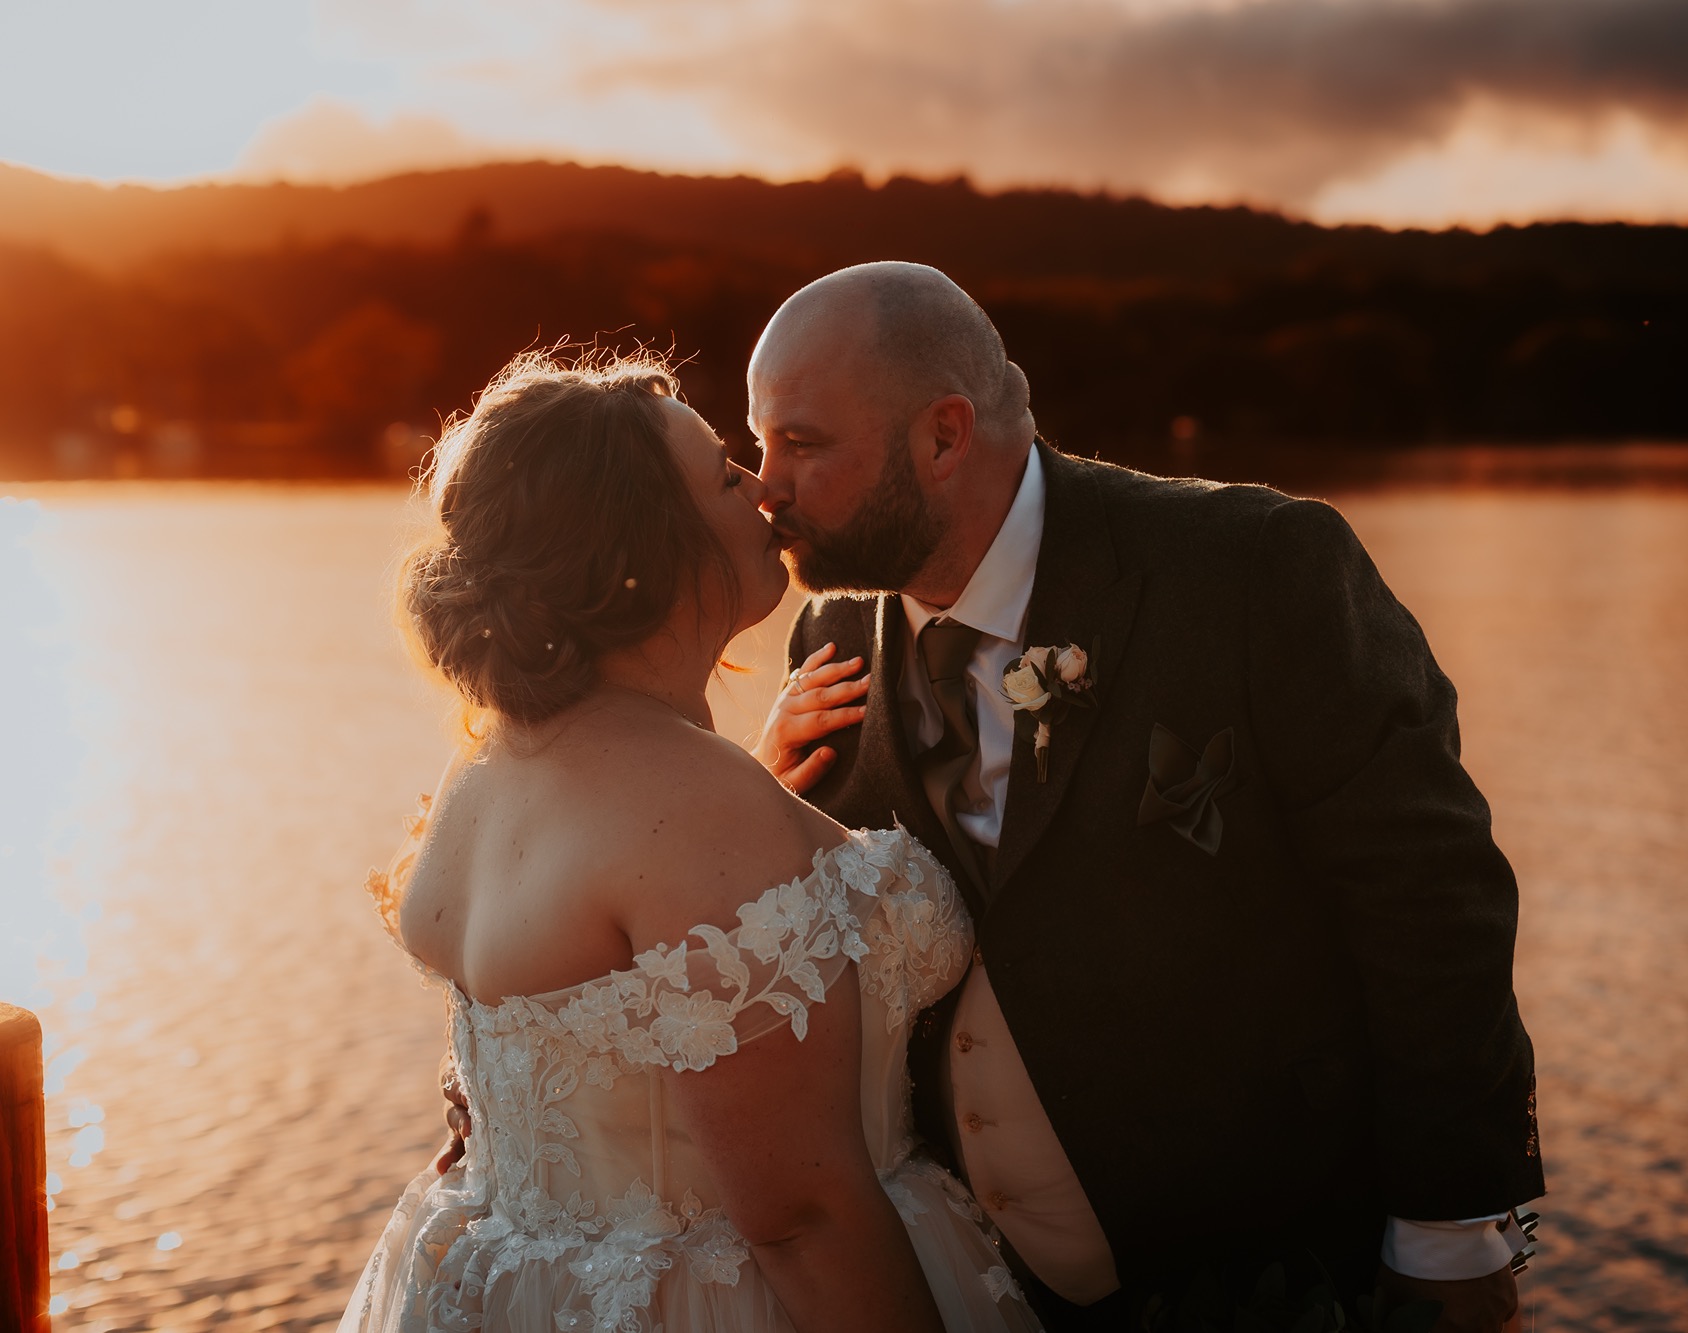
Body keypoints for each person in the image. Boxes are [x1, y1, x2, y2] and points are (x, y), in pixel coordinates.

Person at [745, 263, 1544, 1332]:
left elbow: (1430, 896)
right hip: (983, 1294)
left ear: (943, 438)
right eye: (756, 445)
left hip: (1283, 1280)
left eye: (799, 444)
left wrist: (1447, 1231)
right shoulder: (829, 638)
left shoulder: (1255, 570)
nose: (764, 485)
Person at [341, 351, 1042, 1333]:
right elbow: (798, 1216)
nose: (763, 490)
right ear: (646, 540)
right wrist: (740, 805)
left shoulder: (493, 766)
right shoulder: (697, 805)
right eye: (724, 475)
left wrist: (755, 791)